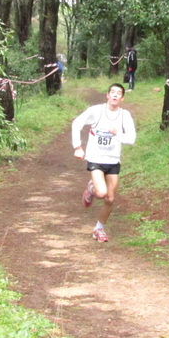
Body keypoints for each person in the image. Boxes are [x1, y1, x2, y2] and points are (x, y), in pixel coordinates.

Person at [71, 83, 136, 242]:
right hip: (96, 158)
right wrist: (78, 147)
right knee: (101, 193)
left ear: (122, 98)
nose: (115, 95)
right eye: (112, 92)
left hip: (113, 160)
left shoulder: (124, 115)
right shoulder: (96, 111)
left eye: (118, 93)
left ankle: (99, 229)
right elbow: (76, 124)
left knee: (110, 199)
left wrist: (117, 133)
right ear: (107, 95)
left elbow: (131, 139)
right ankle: (92, 188)